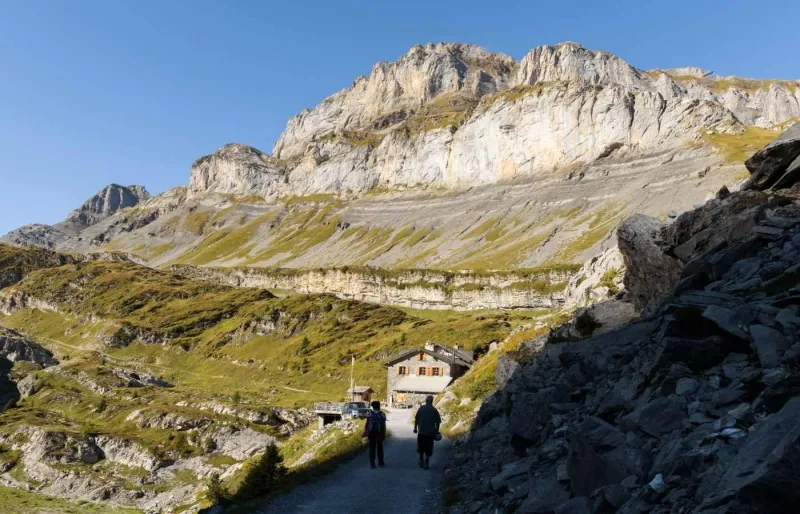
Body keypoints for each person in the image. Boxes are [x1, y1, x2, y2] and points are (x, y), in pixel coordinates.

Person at [413, 395, 441, 469]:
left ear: (426, 401)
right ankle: (426, 462)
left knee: (421, 447)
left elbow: (416, 419)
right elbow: (438, 422)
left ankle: (421, 460)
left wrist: (415, 428)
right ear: (432, 401)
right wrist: (437, 431)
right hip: (430, 433)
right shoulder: (434, 410)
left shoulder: (421, 408)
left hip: (421, 431)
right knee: (428, 447)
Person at [364, 400, 386, 468]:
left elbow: (367, 423)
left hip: (371, 432)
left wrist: (366, 431)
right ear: (379, 406)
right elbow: (383, 425)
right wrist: (383, 433)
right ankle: (380, 462)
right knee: (380, 447)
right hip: (379, 432)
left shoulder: (369, 413)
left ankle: (372, 463)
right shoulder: (382, 413)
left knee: (372, 448)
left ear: (372, 406)